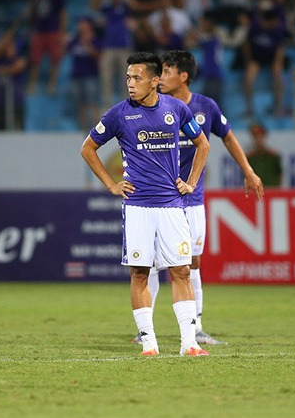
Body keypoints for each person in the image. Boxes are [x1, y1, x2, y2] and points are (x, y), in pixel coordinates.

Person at [80, 51, 211, 357]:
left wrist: (190, 182)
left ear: (154, 81)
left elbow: (202, 143)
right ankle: (149, 344)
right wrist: (111, 184)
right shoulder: (118, 114)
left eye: (137, 78)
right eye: (128, 77)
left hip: (171, 206)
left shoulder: (177, 110)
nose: (130, 83)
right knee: (140, 273)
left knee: (181, 271)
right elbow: (88, 148)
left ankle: (188, 343)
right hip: (138, 207)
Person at [132, 50, 264, 346]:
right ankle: (145, 332)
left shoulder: (206, 107)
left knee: (191, 262)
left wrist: (249, 171)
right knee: (150, 263)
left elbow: (227, 137)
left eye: (166, 71)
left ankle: (197, 326)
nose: (161, 77)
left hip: (191, 200)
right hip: (157, 199)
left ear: (183, 76)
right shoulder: (151, 106)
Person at [246, 123, 282, 187]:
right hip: (255, 190)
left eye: (260, 137)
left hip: (271, 189)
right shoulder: (249, 158)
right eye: (256, 137)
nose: (258, 140)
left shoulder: (273, 156)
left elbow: (279, 174)